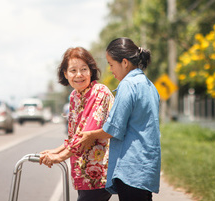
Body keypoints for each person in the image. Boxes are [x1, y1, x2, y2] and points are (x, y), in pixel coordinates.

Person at [75, 38, 161, 201]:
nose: (110, 70)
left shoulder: (128, 85)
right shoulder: (149, 85)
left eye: (111, 64)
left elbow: (114, 128)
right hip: (147, 167)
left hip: (131, 168)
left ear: (124, 63)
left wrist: (90, 135)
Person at [39, 47, 114, 201]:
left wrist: (60, 157)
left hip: (99, 171)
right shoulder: (74, 95)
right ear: (66, 74)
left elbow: (87, 134)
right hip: (81, 169)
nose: (79, 75)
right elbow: (74, 134)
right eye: (73, 70)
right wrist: (55, 151)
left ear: (91, 71)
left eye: (84, 69)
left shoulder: (99, 92)